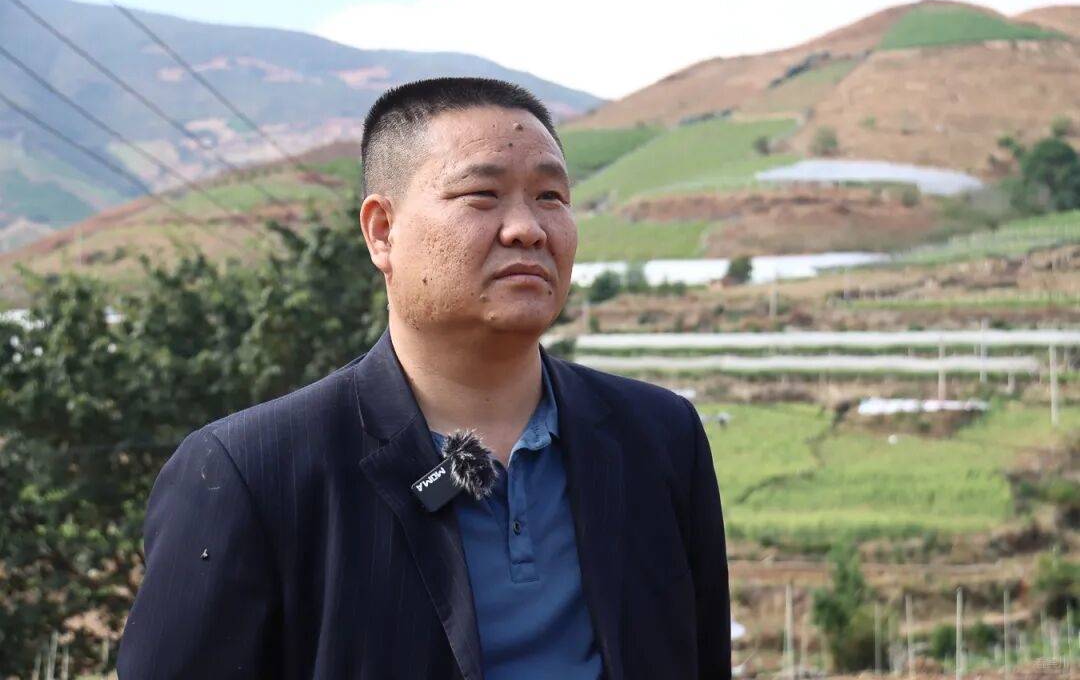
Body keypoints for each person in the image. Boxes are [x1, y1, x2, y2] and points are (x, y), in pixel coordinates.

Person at [117, 77, 731, 679]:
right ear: (382, 231)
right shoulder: (252, 472)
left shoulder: (658, 436)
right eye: (482, 195)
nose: (528, 228)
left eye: (551, 196)